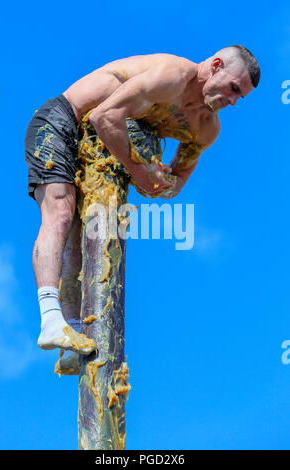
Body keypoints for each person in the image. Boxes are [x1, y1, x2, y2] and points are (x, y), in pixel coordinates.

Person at [25, 46, 260, 361]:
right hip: (63, 121)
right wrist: (140, 169)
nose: (232, 102)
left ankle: (71, 330)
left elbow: (178, 178)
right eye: (233, 89)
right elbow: (103, 116)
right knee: (60, 214)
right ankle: (51, 319)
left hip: (98, 147)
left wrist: (161, 183)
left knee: (88, 235)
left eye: (239, 98)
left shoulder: (206, 128)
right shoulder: (173, 76)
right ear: (216, 66)